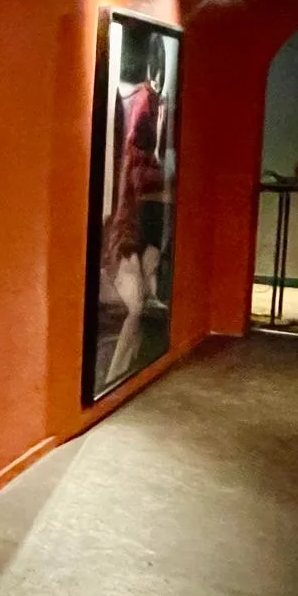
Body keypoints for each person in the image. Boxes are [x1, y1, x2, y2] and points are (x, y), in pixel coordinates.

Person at [102, 32, 172, 386]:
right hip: (134, 202)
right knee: (136, 301)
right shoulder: (143, 98)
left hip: (134, 202)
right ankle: (118, 373)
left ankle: (118, 373)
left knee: (137, 300)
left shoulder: (138, 98)